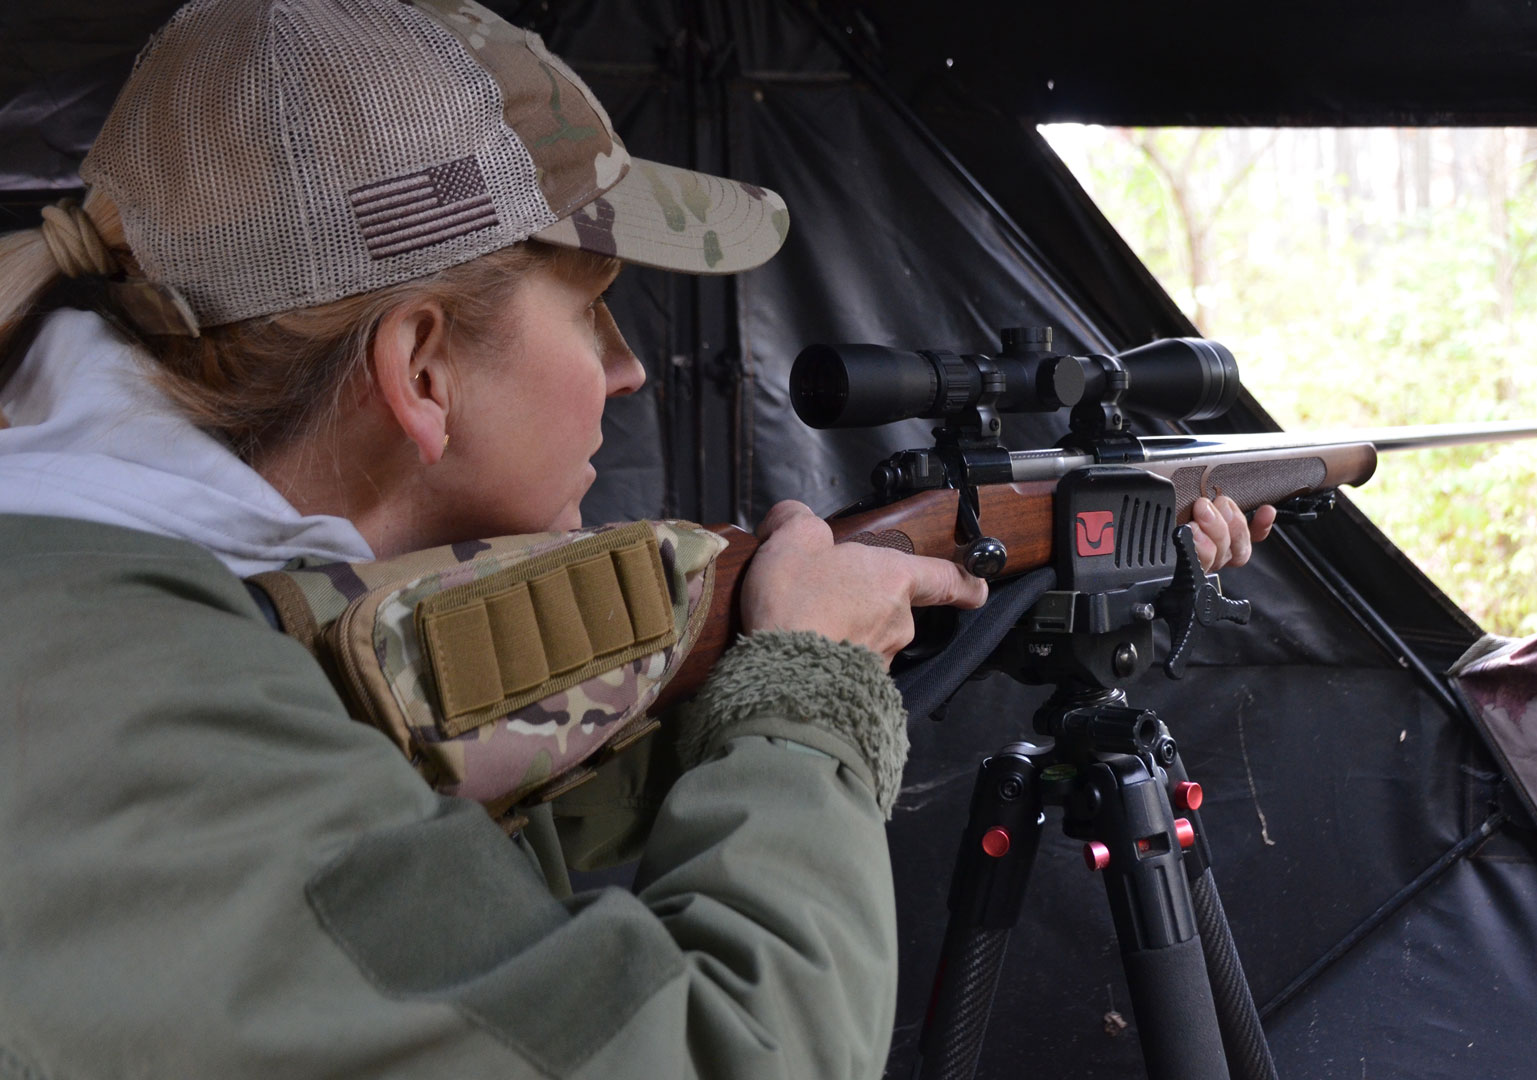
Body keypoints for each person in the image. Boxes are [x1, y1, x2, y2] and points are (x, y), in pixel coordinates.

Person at [0, 1, 1275, 1077]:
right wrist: (810, 693)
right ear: (423, 371)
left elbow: (410, 906)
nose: (629, 371)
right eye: (595, 311)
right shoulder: (141, 713)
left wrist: (926, 612)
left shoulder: (131, 608)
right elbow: (731, 1052)